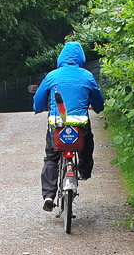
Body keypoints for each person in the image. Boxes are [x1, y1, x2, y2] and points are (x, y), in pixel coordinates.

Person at [31, 42, 104, 212]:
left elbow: (39, 100)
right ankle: (84, 170)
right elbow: (98, 102)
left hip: (57, 126)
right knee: (87, 142)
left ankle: (49, 195)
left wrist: (39, 108)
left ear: (61, 58)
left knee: (51, 157)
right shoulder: (87, 76)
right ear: (82, 58)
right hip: (79, 128)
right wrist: (97, 107)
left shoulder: (52, 76)